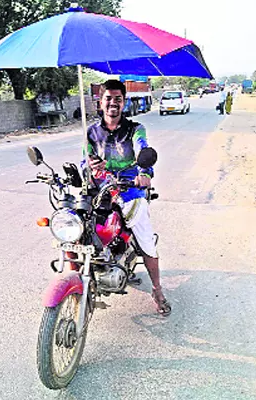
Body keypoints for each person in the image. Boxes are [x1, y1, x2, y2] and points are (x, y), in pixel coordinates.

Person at [82, 79, 171, 317]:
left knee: (145, 239)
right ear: (100, 103)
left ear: (124, 102)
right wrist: (90, 165)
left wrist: (144, 173)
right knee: (80, 226)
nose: (113, 103)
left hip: (129, 187)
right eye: (108, 98)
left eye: (118, 99)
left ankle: (157, 289)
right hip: (101, 188)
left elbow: (142, 148)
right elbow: (85, 160)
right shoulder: (90, 132)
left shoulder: (135, 129)